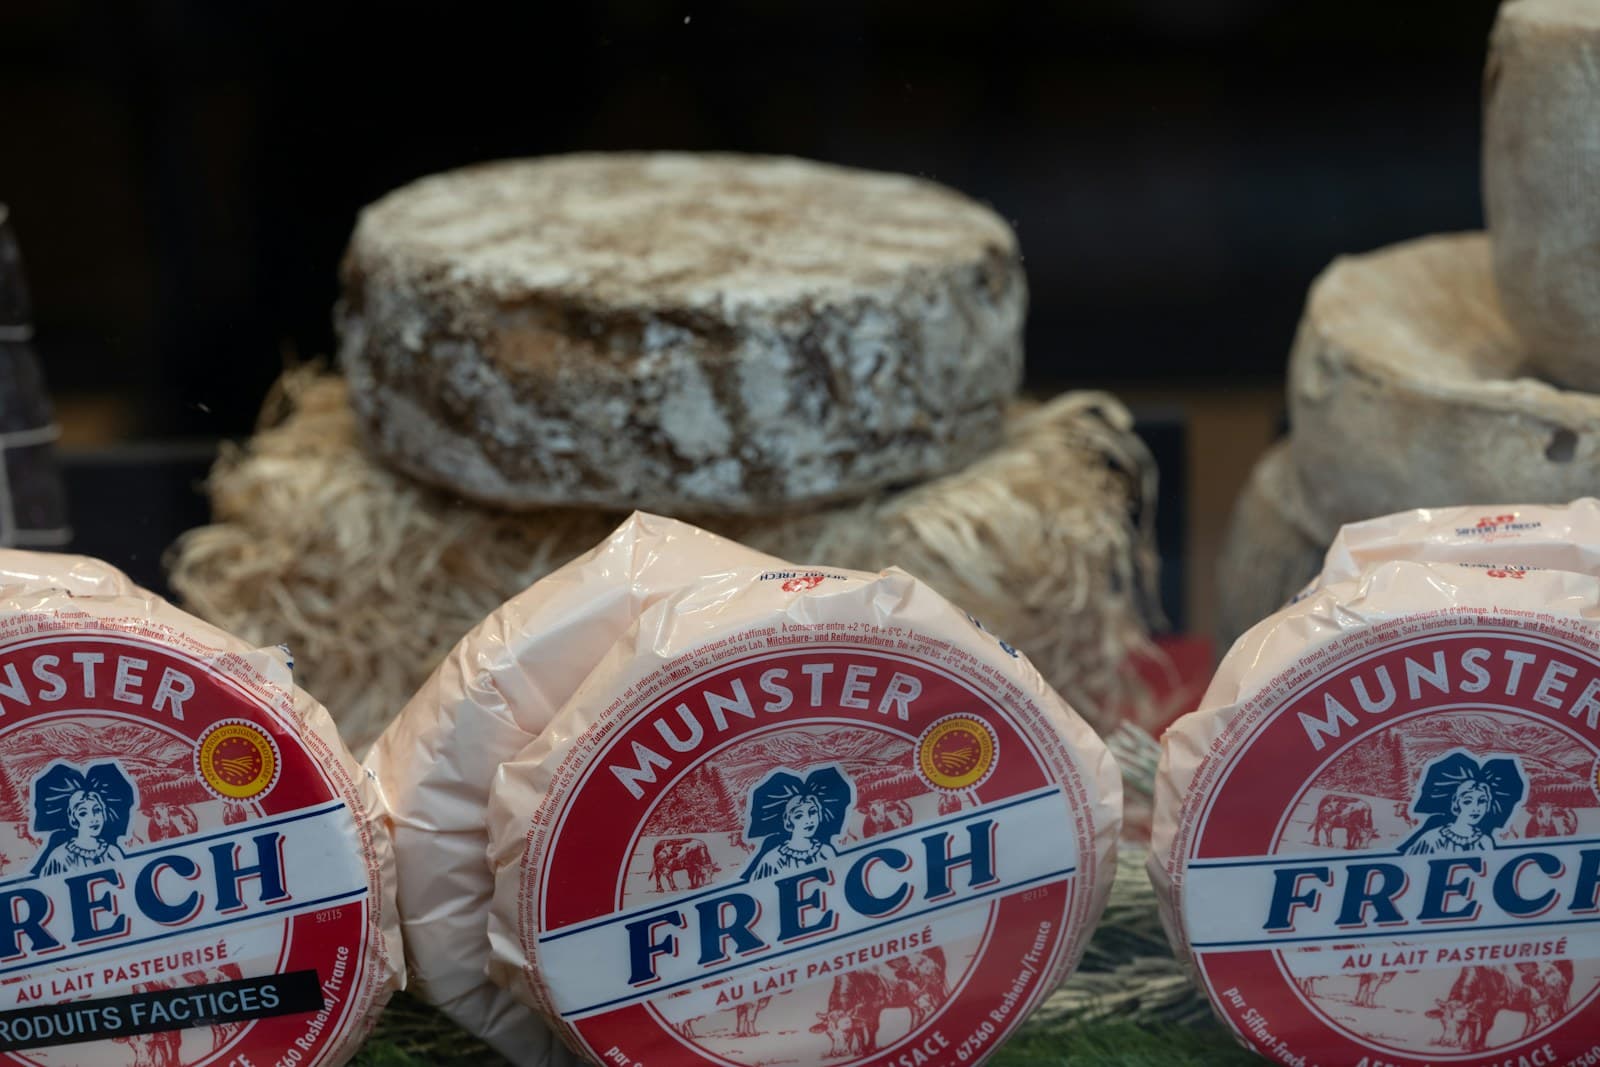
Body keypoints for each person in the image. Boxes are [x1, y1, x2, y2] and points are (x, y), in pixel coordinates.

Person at [1399, 751, 1524, 856]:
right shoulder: (1432, 839)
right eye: (1468, 801)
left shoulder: (1485, 842)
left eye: (1482, 801)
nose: (1476, 808)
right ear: (1456, 805)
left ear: (1488, 805)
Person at [742, 766, 852, 881]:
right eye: (799, 815)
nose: (808, 819)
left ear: (819, 814)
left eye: (812, 812)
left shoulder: (826, 851)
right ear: (788, 822)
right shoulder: (772, 860)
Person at [29, 762, 135, 876]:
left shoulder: (113, 852)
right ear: (73, 819)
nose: (93, 818)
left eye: (97, 810)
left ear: (104, 813)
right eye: (83, 813)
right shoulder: (60, 857)